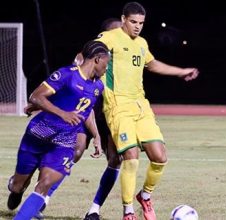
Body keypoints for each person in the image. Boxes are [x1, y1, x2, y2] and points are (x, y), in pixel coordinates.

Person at [88, 2, 199, 220]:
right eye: (133, 22)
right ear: (123, 19)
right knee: (131, 156)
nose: (137, 26)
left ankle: (145, 196)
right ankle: (128, 211)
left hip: (141, 105)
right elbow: (87, 54)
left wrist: (181, 72)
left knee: (160, 157)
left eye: (141, 23)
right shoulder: (110, 37)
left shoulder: (141, 43)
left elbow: (153, 64)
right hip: (118, 106)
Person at [7, 40, 111, 219]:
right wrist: (62, 113)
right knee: (18, 185)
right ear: (97, 59)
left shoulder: (98, 86)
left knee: (44, 184)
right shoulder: (66, 75)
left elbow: (86, 112)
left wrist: (96, 135)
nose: (107, 69)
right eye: (106, 64)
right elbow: (36, 96)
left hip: (64, 142)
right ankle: (17, 189)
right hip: (38, 136)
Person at [33, 17, 123, 220]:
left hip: (112, 114)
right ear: (105, 35)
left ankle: (94, 210)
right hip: (86, 112)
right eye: (116, 33)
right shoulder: (87, 57)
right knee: (75, 149)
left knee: (116, 159)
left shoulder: (126, 57)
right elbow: (70, 84)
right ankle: (42, 199)